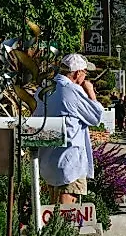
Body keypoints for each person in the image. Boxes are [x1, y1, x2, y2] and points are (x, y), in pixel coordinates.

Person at [34, 53, 105, 205]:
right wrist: (91, 92)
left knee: (54, 211)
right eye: (85, 72)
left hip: (48, 161)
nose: (85, 77)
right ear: (77, 72)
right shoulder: (72, 90)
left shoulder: (44, 89)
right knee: (67, 213)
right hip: (69, 163)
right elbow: (96, 116)